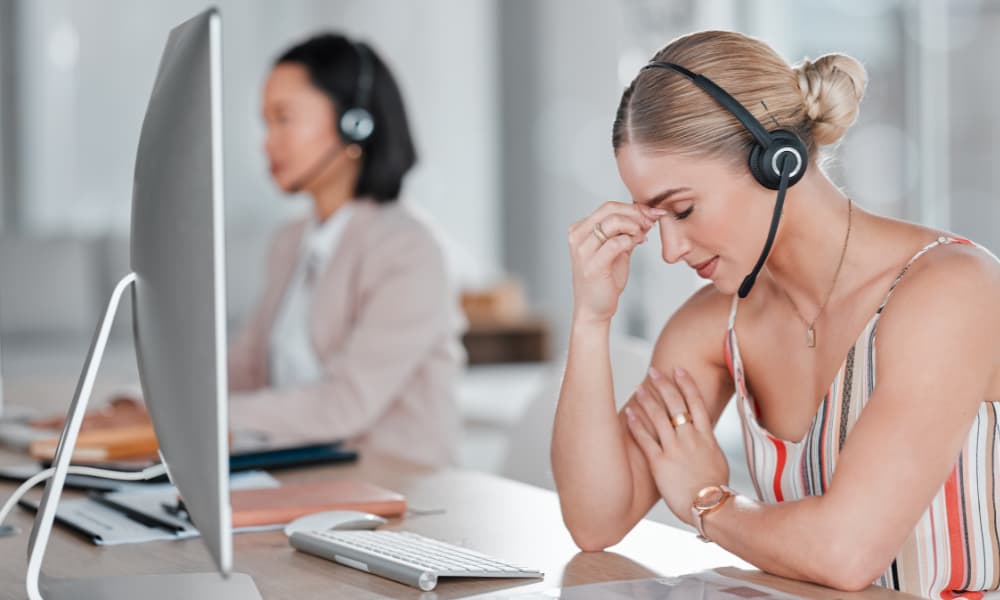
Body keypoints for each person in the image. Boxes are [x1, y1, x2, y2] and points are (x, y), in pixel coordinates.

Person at [553, 30, 1000, 599]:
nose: (669, 250)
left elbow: (846, 553)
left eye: (683, 209)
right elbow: (596, 521)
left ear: (777, 162)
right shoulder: (713, 326)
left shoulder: (950, 292)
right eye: (654, 218)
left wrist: (709, 502)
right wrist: (591, 320)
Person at [224, 33, 465, 467]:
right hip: (299, 475)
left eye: (283, 119)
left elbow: (346, 404)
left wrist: (211, 416)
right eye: (265, 122)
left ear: (355, 123)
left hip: (399, 487)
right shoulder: (290, 241)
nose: (267, 141)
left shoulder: (408, 249)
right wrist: (142, 405)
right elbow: (242, 370)